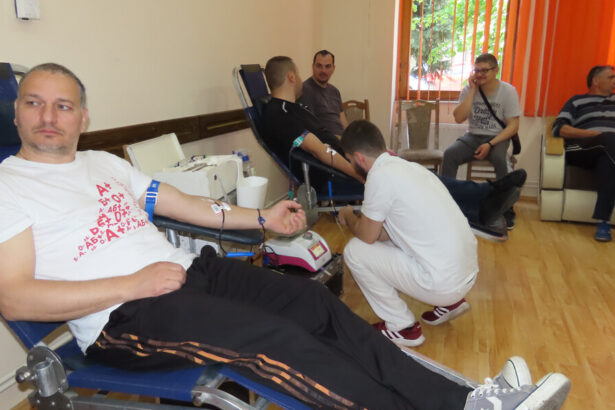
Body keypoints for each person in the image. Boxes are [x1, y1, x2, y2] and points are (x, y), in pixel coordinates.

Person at [0, 63, 571, 409]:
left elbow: (183, 205)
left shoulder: (104, 164)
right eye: (34, 103)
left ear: (83, 116)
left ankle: (465, 402)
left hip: (189, 276)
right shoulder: (9, 185)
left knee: (311, 302)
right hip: (123, 316)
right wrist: (132, 283)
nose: (49, 116)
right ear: (16, 113)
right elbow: (15, 298)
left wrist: (263, 220)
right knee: (272, 337)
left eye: (63, 105)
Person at [261, 56, 526, 237]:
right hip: (339, 174)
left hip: (356, 161)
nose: (302, 78)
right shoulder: (279, 114)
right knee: (418, 181)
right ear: (291, 76)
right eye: (299, 73)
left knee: (419, 177)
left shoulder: (294, 109)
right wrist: (361, 174)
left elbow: (330, 141)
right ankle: (483, 197)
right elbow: (320, 151)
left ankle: (481, 199)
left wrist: (369, 154)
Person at [339, 120, 478, 347]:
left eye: (349, 160)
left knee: (355, 251)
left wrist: (348, 216)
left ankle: (402, 326)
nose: (350, 164)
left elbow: (367, 236)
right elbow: (389, 233)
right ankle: (450, 303)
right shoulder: (410, 167)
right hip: (467, 274)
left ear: (359, 158)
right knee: (394, 240)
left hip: (444, 284)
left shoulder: (378, 177)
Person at [441, 53, 521, 229]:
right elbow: (458, 118)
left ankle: (505, 210)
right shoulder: (468, 90)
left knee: (500, 159)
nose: (480, 74)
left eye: (484, 70)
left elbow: (513, 126)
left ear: (496, 70)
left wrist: (490, 144)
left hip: (497, 138)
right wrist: (472, 92)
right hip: (473, 136)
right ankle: (446, 203)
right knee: (450, 154)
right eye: (476, 70)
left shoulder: (508, 91)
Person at [552, 65, 615, 242]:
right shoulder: (576, 101)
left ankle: (603, 222)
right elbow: (559, 129)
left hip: (608, 153)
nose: (614, 81)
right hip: (583, 150)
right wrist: (595, 135)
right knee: (609, 139)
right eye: (611, 77)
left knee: (608, 163)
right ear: (596, 81)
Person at [298, 50, 348, 136]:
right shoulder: (305, 90)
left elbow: (343, 122)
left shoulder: (335, 91)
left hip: (343, 140)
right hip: (326, 142)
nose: (323, 70)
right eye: (319, 66)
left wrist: (350, 138)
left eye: (327, 66)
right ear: (313, 67)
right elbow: (310, 130)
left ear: (333, 68)